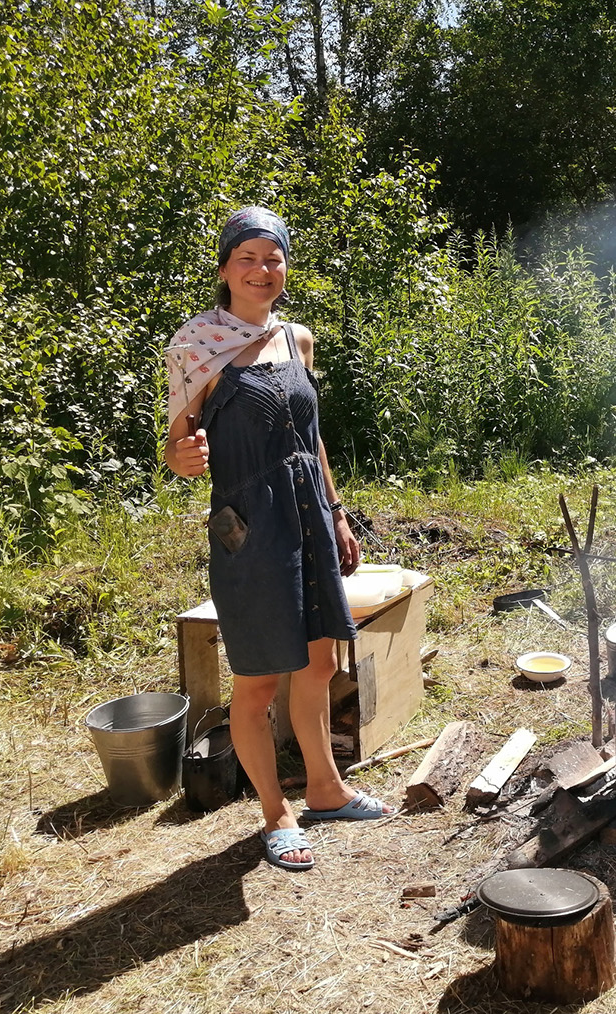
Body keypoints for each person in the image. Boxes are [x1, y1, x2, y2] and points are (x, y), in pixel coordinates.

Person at [164, 206, 394, 871]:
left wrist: (338, 511)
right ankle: (276, 813)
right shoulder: (197, 345)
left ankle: (325, 788)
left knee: (320, 663)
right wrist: (183, 457)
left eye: (274, 258)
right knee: (259, 682)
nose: (263, 270)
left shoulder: (298, 339)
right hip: (250, 531)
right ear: (225, 269)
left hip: (309, 516)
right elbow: (177, 443)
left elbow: (311, 437)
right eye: (248, 258)